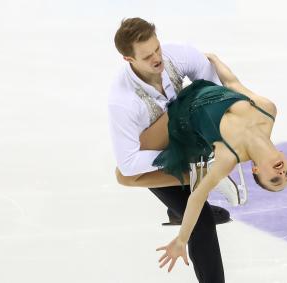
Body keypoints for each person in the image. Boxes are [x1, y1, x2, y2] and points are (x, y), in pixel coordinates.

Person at [108, 18, 239, 282]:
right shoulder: (123, 101)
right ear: (128, 59)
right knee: (201, 220)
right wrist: (187, 161)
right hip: (158, 156)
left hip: (193, 137)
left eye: (157, 48)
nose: (157, 57)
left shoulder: (177, 55)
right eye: (147, 56)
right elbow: (130, 163)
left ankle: (188, 195)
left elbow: (213, 90)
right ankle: (198, 183)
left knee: (197, 95)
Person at [143, 53, 287, 272]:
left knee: (141, 165)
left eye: (274, 179)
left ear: (256, 169)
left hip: (182, 114)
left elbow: (197, 197)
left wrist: (182, 240)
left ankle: (202, 173)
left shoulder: (229, 156)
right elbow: (232, 83)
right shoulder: (268, 111)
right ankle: (202, 172)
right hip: (204, 86)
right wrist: (214, 58)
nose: (282, 173)